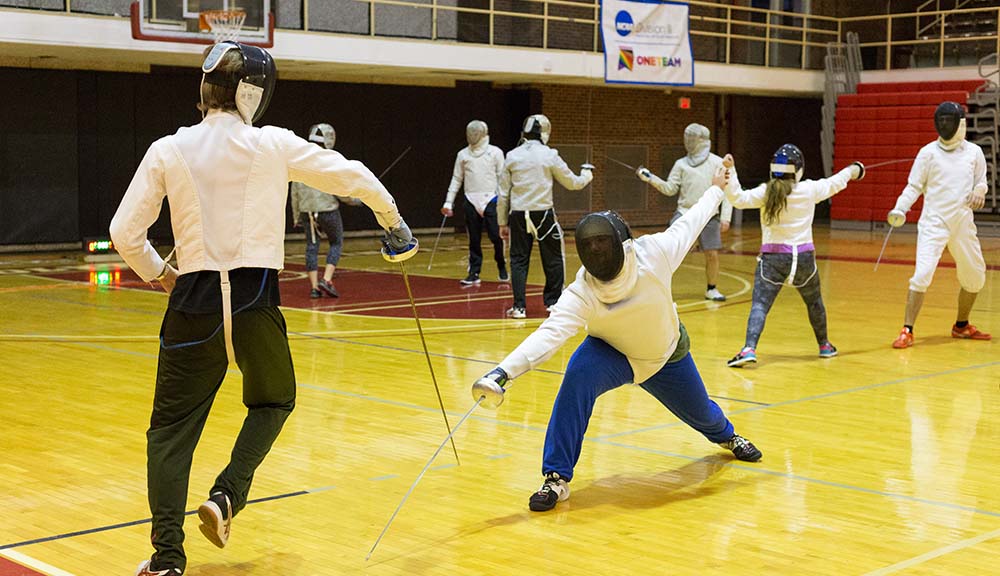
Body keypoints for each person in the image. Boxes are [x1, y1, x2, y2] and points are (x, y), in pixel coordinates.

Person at [109, 42, 413, 576]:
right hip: (255, 301)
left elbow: (123, 233)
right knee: (274, 401)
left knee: (171, 431)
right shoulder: (272, 144)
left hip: (192, 305)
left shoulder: (167, 148)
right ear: (253, 93)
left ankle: (166, 561)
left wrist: (161, 273)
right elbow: (352, 174)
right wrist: (393, 222)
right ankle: (227, 496)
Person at [471, 165, 762, 513]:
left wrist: (716, 190)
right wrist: (502, 373)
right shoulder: (582, 291)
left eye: (602, 243)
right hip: (610, 354)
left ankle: (728, 436)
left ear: (623, 243)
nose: (596, 250)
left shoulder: (656, 253)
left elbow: (694, 218)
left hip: (664, 355)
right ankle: (556, 477)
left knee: (704, 415)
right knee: (577, 377)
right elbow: (548, 336)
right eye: (589, 245)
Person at [725, 145, 864, 368]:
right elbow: (835, 182)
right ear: (798, 169)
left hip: (773, 260)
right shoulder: (809, 189)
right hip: (804, 260)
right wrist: (854, 169)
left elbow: (738, 199)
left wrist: (731, 171)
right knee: (814, 302)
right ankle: (825, 346)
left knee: (760, 305)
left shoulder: (766, 191)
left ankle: (749, 349)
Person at [888, 101, 991, 348]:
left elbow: (981, 182)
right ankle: (907, 329)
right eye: (941, 120)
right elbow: (914, 186)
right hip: (934, 223)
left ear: (960, 124)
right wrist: (900, 208)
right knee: (922, 275)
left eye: (949, 120)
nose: (945, 124)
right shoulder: (927, 153)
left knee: (975, 276)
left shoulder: (974, 152)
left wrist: (979, 191)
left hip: (962, 223)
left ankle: (962, 325)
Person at [499, 114, 593, 318]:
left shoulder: (512, 155)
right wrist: (586, 174)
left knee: (518, 261)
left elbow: (503, 193)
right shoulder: (550, 155)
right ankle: (553, 303)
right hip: (543, 215)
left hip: (517, 215)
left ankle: (519, 307)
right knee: (553, 258)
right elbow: (572, 183)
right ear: (543, 132)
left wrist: (501, 222)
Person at [636, 123, 736, 301]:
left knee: (712, 254)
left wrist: (726, 217)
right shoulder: (680, 164)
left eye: (693, 138)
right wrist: (650, 178)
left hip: (710, 215)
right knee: (669, 251)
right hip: (684, 213)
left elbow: (727, 191)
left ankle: (711, 289)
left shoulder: (717, 162)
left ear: (702, 140)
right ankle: (660, 289)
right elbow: (669, 189)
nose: (689, 141)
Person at [290, 122, 362, 299]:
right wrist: (355, 201)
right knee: (336, 242)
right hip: (327, 210)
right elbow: (340, 190)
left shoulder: (299, 162)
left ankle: (314, 288)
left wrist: (296, 216)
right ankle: (327, 279)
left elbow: (294, 192)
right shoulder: (329, 162)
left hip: (307, 212)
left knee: (311, 247)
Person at [441, 120, 508, 286]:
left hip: (491, 199)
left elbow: (502, 178)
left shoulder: (495, 153)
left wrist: (503, 203)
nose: (473, 135)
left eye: (476, 132)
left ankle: (501, 264)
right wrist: (448, 202)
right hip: (471, 199)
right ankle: (474, 272)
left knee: (495, 236)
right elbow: (457, 178)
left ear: (483, 134)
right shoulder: (463, 155)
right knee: (474, 239)